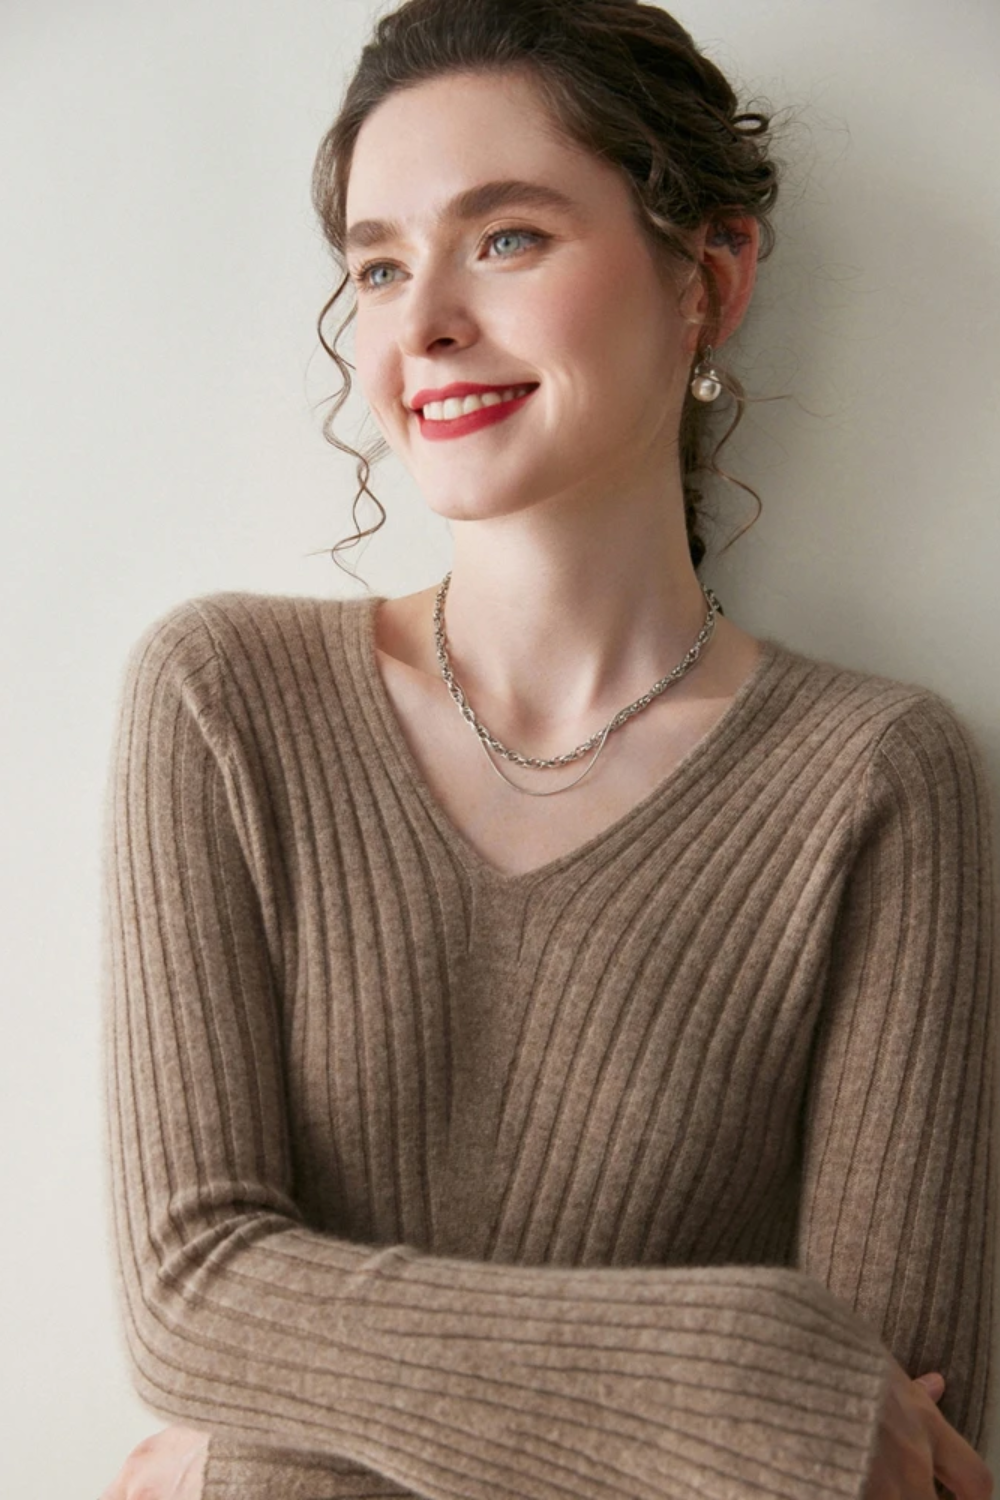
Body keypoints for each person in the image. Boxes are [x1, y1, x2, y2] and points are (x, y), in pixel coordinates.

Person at [98, 2, 997, 1498]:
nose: (422, 321)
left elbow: (885, 1460)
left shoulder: (876, 779)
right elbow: (190, 1293)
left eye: (506, 238)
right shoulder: (224, 700)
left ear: (710, 277)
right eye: (379, 265)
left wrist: (273, 1449)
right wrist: (745, 1369)